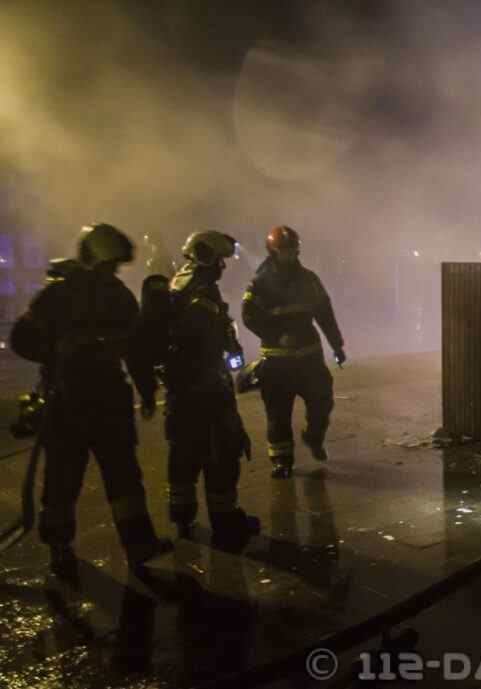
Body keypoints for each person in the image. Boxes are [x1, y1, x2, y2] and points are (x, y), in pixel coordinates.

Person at [9, 223, 172, 577]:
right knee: (64, 478)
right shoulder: (57, 296)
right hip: (67, 400)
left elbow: (134, 349)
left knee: (122, 476)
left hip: (105, 399)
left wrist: (146, 390)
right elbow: (21, 339)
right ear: (96, 259)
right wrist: (56, 350)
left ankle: (139, 546)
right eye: (109, 264)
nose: (113, 271)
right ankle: (60, 547)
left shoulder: (116, 296)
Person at [145, 230, 259, 546]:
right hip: (206, 385)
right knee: (222, 452)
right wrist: (231, 346)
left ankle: (182, 518)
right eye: (220, 260)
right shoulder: (200, 293)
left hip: (181, 389)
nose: (223, 266)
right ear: (206, 257)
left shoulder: (178, 285)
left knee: (184, 453)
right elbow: (210, 338)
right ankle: (226, 521)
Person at [241, 226, 346, 479]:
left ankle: (313, 437)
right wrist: (276, 335)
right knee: (278, 415)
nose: (289, 254)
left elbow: (325, 314)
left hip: (310, 358)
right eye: (284, 250)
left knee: (322, 402)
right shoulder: (260, 283)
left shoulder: (310, 279)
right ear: (273, 251)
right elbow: (249, 316)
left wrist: (337, 345)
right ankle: (281, 461)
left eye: (292, 249)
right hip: (277, 362)